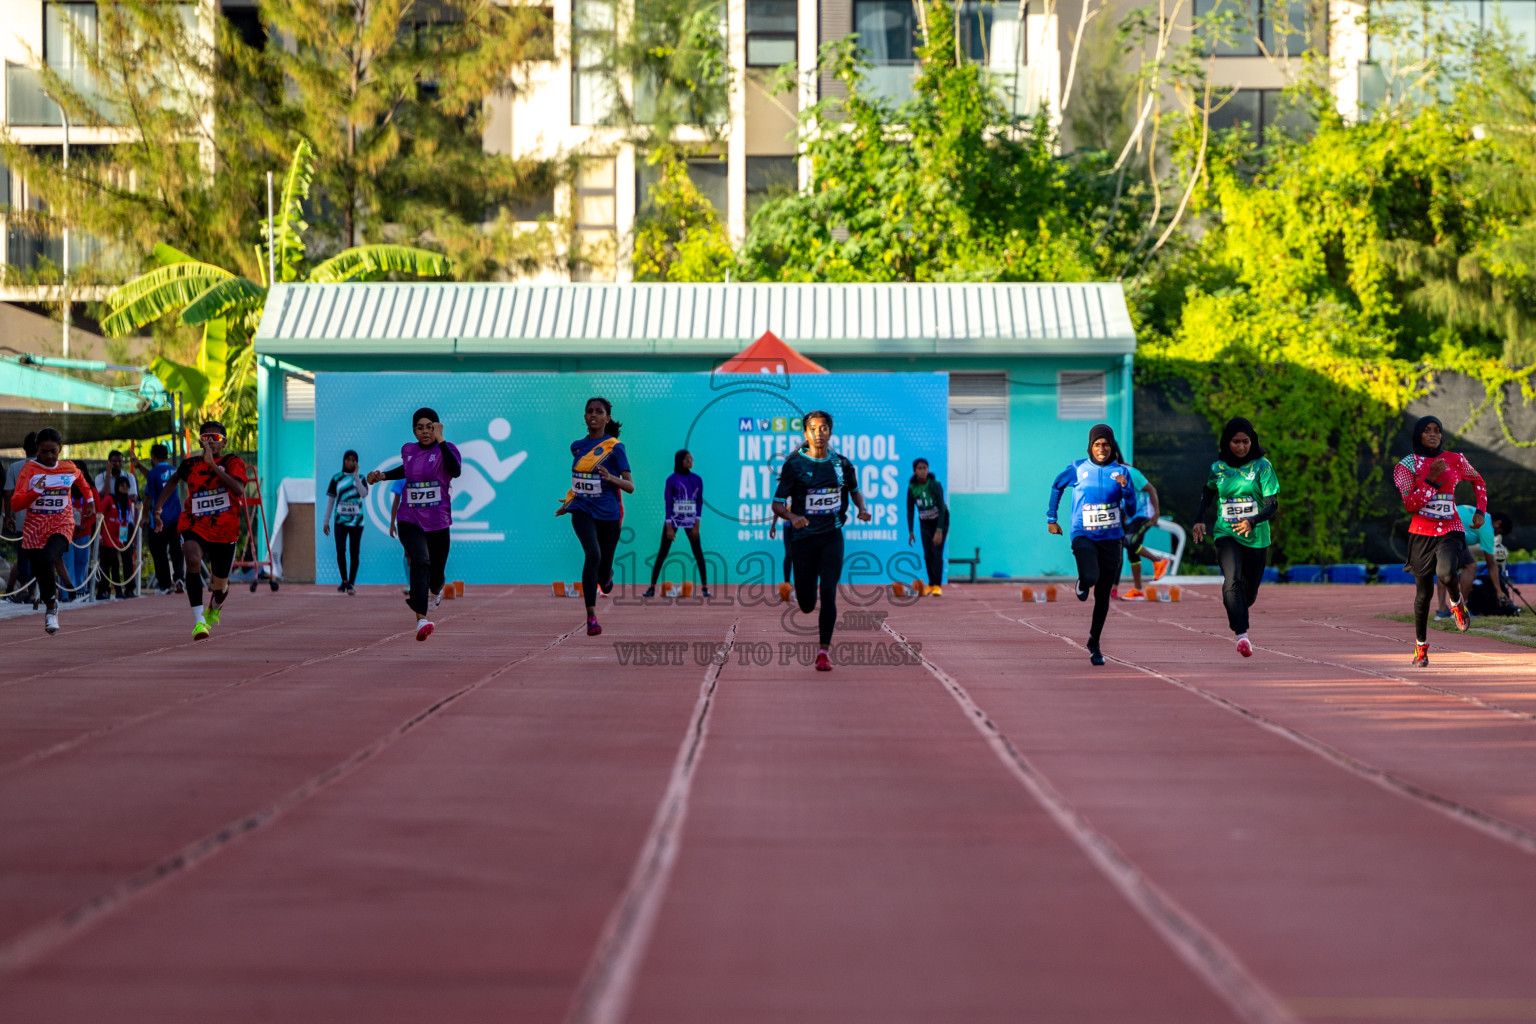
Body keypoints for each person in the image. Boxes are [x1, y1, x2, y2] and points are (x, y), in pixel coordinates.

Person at [772, 411, 872, 672]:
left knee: (828, 592)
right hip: (803, 540)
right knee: (806, 605)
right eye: (813, 429)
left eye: (824, 428)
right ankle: (805, 592)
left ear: (830, 432)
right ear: (806, 434)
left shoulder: (842, 464)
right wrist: (793, 517)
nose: (819, 433)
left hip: (831, 537)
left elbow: (855, 491)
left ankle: (823, 652)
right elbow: (777, 503)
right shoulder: (794, 465)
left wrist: (862, 508)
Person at [1394, 414, 1486, 666]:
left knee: (1446, 574)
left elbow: (1478, 481)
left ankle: (1457, 603)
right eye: (1427, 430)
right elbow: (1410, 504)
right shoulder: (1406, 466)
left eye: (1437, 430)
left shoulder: (1455, 459)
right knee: (1423, 595)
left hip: (1450, 528)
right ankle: (1421, 647)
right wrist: (1432, 480)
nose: (1433, 435)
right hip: (1421, 533)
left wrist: (1480, 510)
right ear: (1418, 435)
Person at [1047, 424, 1138, 666]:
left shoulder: (1121, 472)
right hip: (1083, 534)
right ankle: (1082, 580)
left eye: (1106, 444)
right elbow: (1057, 487)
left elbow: (1131, 509)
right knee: (1090, 575)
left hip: (1112, 538)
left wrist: (1126, 489)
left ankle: (1094, 643)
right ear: (1090, 446)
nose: (1102, 449)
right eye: (1097, 444)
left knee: (1103, 596)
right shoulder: (1077, 468)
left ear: (1112, 447)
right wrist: (1051, 519)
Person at [366, 408, 461, 642]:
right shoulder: (409, 450)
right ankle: (421, 619)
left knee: (436, 574)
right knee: (420, 560)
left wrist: (442, 441)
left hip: (438, 522)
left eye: (430, 426)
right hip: (410, 518)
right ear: (414, 431)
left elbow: (456, 471)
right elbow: (405, 471)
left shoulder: (447, 450)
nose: (425, 431)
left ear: (438, 427)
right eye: (420, 427)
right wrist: (382, 476)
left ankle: (436, 590)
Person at [1192, 417, 1281, 658]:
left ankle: (1239, 610)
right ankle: (1242, 636)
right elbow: (1208, 493)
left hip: (1256, 537)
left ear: (1252, 442)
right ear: (1226, 442)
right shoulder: (1218, 468)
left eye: (1245, 442)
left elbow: (1272, 506)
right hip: (1226, 533)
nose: (1240, 447)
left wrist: (1252, 521)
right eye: (1235, 442)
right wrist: (1200, 518)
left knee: (1247, 595)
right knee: (1231, 581)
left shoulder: (1262, 467)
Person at [154, 421, 248, 641]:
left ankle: (214, 607)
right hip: (194, 524)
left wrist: (212, 465)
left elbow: (238, 489)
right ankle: (199, 622)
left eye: (214, 438)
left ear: (223, 442)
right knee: (192, 557)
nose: (209, 442)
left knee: (220, 588)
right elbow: (174, 480)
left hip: (225, 531)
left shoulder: (232, 461)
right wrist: (158, 508)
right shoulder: (191, 465)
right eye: (205, 438)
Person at [557, 397, 632, 637]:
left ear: (607, 417)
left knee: (603, 569)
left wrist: (611, 478)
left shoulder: (615, 447)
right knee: (592, 554)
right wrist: (570, 501)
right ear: (584, 416)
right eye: (589, 411)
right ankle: (591, 616)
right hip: (582, 510)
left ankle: (606, 576)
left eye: (599, 412)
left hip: (609, 516)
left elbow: (630, 486)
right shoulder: (576, 446)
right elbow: (580, 482)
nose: (593, 415)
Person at [8, 428, 95, 634]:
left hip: (61, 524)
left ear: (60, 449)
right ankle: (51, 603)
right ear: (37, 450)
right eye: (44, 451)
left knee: (48, 556)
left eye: (53, 451)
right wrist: (35, 492)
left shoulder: (68, 468)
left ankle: (50, 609)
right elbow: (16, 503)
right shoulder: (30, 470)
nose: (49, 456)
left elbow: (82, 482)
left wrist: (90, 500)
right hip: (35, 528)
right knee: (39, 563)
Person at [644, 449, 708, 598]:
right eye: (687, 459)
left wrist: (697, 524)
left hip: (691, 521)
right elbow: (668, 504)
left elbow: (699, 503)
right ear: (680, 461)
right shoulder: (671, 480)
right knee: (663, 553)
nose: (691, 461)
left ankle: (705, 588)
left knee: (698, 553)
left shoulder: (697, 479)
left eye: (691, 459)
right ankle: (652, 588)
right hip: (673, 520)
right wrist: (669, 527)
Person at [1436, 502, 1504, 618]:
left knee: (1444, 569)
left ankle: (1442, 611)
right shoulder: (1487, 527)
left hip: (1436, 528)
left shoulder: (1477, 513)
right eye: (1499, 532)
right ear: (1498, 524)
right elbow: (1491, 564)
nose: (1495, 535)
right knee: (1471, 566)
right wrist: (1499, 591)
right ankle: (1459, 610)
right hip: (1452, 533)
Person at [1118, 461, 1173, 600]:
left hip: (1144, 515)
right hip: (1131, 518)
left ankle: (1159, 561)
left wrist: (1156, 512)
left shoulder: (1131, 473)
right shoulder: (1110, 475)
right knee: (1132, 553)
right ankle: (1138, 590)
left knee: (1129, 543)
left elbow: (1151, 489)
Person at [140, 442, 184, 594]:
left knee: (159, 552)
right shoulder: (174, 470)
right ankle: (179, 578)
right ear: (167, 455)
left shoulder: (153, 474)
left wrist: (144, 517)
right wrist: (139, 467)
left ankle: (164, 585)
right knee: (176, 549)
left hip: (158, 519)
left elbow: (148, 497)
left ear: (152, 457)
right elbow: (156, 480)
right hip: (176, 517)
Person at [323, 449, 368, 595]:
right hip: (340, 521)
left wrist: (355, 477)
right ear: (343, 461)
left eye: (353, 460)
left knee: (355, 553)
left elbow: (364, 494)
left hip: (357, 522)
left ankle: (352, 584)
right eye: (348, 460)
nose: (350, 462)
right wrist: (326, 521)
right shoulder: (336, 478)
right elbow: (331, 501)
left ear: (357, 463)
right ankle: (344, 580)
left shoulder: (361, 477)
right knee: (341, 549)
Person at [3, 432, 39, 604]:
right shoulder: (45, 466)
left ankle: (26, 588)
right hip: (43, 519)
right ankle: (33, 591)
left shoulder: (14, 468)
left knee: (24, 555)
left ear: (23, 448)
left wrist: (8, 516)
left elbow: (8, 493)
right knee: (39, 555)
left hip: (22, 518)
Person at [906, 457, 950, 596]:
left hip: (940, 521)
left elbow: (942, 509)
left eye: (925, 468)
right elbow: (910, 509)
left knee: (937, 553)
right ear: (914, 471)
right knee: (928, 554)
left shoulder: (935, 485)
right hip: (925, 522)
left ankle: (938, 585)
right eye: (919, 468)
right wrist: (911, 531)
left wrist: (939, 529)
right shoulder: (912, 487)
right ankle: (930, 584)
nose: (923, 471)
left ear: (928, 470)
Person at [98, 476, 140, 600]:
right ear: (117, 486)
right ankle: (104, 591)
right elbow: (100, 516)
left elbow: (125, 521)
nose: (125, 487)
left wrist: (122, 539)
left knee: (121, 563)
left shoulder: (127, 501)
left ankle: (121, 591)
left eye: (127, 485)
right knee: (108, 564)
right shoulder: (109, 499)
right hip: (106, 537)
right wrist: (99, 535)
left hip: (119, 538)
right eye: (122, 485)